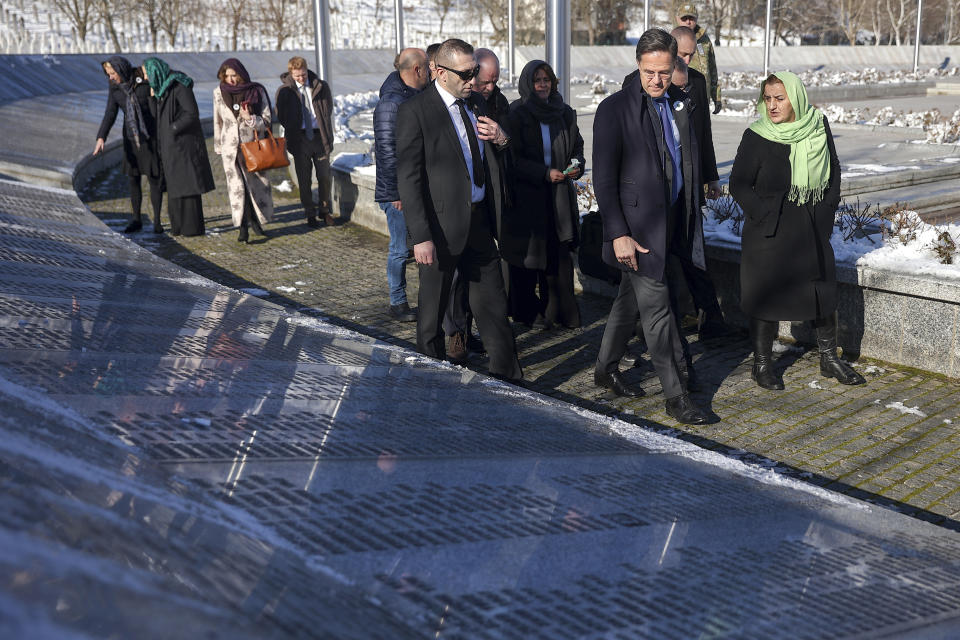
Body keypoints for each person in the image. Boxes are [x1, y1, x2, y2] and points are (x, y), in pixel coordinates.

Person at [592, 29, 710, 425]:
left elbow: (686, 163)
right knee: (658, 314)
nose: (656, 80)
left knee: (629, 302)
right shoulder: (614, 109)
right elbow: (604, 180)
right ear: (638, 65)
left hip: (672, 223)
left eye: (663, 71)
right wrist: (618, 233)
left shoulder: (680, 103)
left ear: (676, 65)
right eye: (648, 72)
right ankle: (676, 396)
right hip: (636, 230)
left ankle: (605, 368)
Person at [396, 38, 522, 383]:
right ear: (439, 72)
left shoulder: (477, 102)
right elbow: (408, 179)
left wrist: (501, 139)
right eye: (466, 73)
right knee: (433, 311)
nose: (473, 79)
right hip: (438, 229)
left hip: (480, 221)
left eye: (475, 71)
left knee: (493, 305)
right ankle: (429, 376)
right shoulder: (415, 111)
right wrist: (420, 236)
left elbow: (495, 159)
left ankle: (508, 377)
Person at [729, 72, 865, 390]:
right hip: (770, 230)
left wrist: (828, 210)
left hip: (810, 223)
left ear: (796, 98)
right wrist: (764, 214)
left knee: (820, 291)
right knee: (766, 295)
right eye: (768, 99)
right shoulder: (757, 135)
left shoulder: (818, 124)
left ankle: (830, 359)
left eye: (780, 98)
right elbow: (738, 183)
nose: (773, 106)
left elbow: (833, 168)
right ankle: (762, 365)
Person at [502, 60, 584, 330]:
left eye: (547, 79)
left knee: (558, 255)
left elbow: (577, 146)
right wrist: (543, 173)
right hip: (529, 196)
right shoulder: (518, 113)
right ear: (528, 83)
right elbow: (512, 158)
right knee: (530, 257)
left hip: (558, 195)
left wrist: (577, 165)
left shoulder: (565, 112)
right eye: (537, 80)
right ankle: (527, 311)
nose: (542, 85)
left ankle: (559, 311)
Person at [443, 47, 508, 362]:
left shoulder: (495, 102)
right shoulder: (451, 105)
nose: (489, 86)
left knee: (482, 278)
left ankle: (483, 339)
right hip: (455, 209)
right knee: (455, 278)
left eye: (495, 80)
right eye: (484, 80)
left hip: (484, 205)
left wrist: (501, 137)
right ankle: (456, 332)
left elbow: (508, 149)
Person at [374, 48, 429, 323]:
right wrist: (397, 192)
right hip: (396, 192)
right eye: (428, 67)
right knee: (400, 248)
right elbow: (386, 150)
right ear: (417, 69)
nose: (431, 72)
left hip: (413, 187)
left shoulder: (415, 95)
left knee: (416, 245)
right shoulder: (392, 102)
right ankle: (397, 302)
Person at [141, 57, 214, 237]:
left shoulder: (179, 86)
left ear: (155, 71)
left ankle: (191, 228)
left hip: (184, 146)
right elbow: (157, 118)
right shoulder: (162, 90)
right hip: (171, 147)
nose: (145, 78)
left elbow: (191, 114)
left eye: (146, 73)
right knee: (175, 186)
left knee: (187, 187)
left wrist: (173, 129)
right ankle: (178, 226)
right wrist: (152, 99)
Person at [94, 56, 164, 234]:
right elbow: (110, 112)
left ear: (121, 69)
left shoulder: (142, 78)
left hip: (150, 136)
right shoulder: (115, 88)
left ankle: (157, 221)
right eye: (108, 74)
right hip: (131, 138)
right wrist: (101, 137)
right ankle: (136, 219)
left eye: (112, 73)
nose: (110, 77)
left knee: (154, 179)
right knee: (133, 179)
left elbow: (157, 103)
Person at [213, 58, 274, 244]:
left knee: (255, 186)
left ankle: (257, 222)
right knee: (237, 188)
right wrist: (218, 145)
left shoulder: (256, 90)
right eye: (227, 76)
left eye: (234, 75)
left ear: (241, 74)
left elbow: (268, 121)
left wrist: (250, 119)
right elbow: (218, 121)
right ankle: (243, 227)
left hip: (253, 147)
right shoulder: (218, 93)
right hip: (230, 148)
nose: (231, 80)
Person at [276, 56, 335, 228]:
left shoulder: (320, 86)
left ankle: (324, 211)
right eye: (297, 76)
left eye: (303, 74)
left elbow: (328, 108)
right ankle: (309, 213)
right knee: (304, 179)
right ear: (291, 74)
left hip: (319, 136)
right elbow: (281, 115)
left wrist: (322, 125)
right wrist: (294, 127)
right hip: (300, 138)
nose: (301, 78)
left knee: (324, 176)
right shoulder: (284, 91)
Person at [676, 3, 721, 114]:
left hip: (703, 98)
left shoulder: (704, 40)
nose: (688, 22)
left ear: (697, 18)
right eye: (684, 18)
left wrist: (717, 97)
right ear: (677, 19)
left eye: (691, 18)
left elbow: (712, 69)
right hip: (681, 100)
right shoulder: (673, 39)